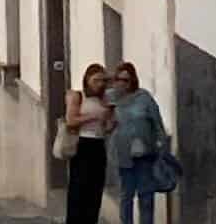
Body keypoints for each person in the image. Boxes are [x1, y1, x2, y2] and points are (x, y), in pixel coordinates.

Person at [107, 63, 167, 224]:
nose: (121, 83)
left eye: (126, 80)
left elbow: (157, 122)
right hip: (123, 154)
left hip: (145, 155)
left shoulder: (144, 98)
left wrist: (162, 146)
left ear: (133, 80)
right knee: (126, 196)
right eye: (118, 79)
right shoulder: (111, 97)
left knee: (146, 195)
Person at [64, 63, 113, 223]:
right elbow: (71, 121)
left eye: (102, 81)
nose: (99, 84)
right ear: (87, 80)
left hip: (98, 145)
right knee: (79, 191)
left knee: (95, 191)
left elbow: (106, 127)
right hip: (82, 145)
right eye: (95, 80)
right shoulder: (77, 96)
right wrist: (94, 117)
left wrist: (110, 121)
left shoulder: (103, 99)